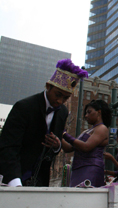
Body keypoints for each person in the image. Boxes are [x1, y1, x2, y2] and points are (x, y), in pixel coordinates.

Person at [0, 59, 88, 187]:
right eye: (58, 94)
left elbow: (53, 149)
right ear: (48, 86)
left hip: (40, 181)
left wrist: (57, 145)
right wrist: (14, 182)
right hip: (15, 177)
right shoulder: (24, 107)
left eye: (65, 98)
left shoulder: (63, 112)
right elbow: (8, 147)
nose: (59, 101)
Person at [62, 100, 111, 187]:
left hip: (91, 168)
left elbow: (86, 147)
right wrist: (58, 136)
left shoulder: (102, 128)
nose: (86, 115)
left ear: (99, 112)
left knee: (85, 197)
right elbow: (69, 148)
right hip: (78, 169)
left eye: (89, 112)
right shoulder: (87, 131)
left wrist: (65, 135)